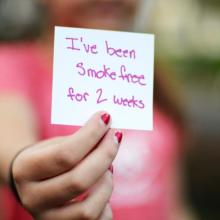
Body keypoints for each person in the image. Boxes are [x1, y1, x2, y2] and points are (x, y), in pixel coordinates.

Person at [0, 0, 186, 219]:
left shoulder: (149, 75)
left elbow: (174, 206)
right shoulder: (12, 67)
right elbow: (10, 141)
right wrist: (20, 166)